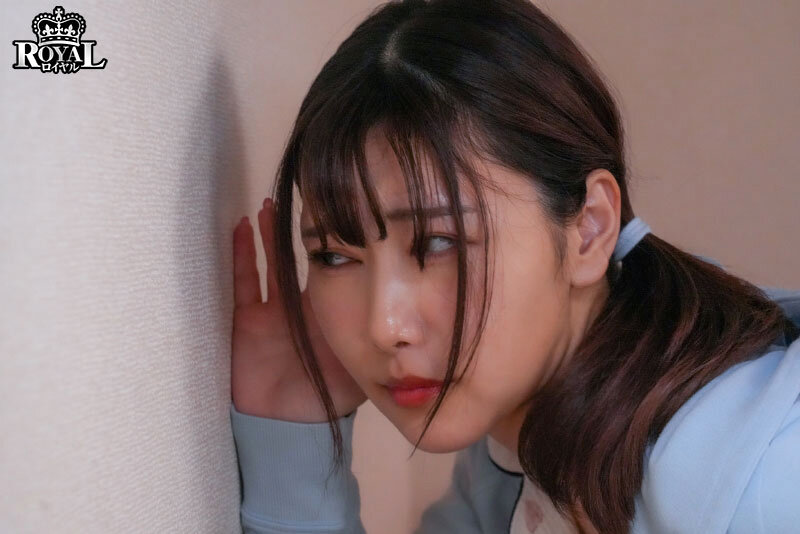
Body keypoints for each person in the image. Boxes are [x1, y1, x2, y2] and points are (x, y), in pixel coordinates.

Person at [228, 0, 800, 532]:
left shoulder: (763, 484)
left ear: (589, 228)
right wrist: (293, 438)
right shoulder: (507, 453)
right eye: (334, 256)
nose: (384, 326)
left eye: (439, 243)